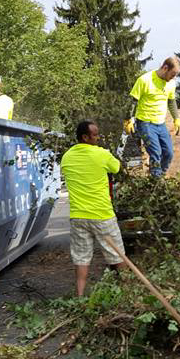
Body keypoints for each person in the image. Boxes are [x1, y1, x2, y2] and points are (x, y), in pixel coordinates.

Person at [60, 121, 126, 296]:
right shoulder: (101, 154)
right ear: (85, 137)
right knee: (117, 255)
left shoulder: (67, 156)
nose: (98, 138)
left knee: (81, 258)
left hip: (78, 217)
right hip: (102, 215)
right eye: (95, 135)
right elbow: (117, 168)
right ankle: (129, 291)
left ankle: (80, 296)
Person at [125, 56, 180, 177]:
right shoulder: (145, 80)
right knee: (156, 153)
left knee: (168, 153)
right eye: (173, 74)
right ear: (165, 68)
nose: (174, 77)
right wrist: (128, 120)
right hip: (145, 123)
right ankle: (156, 182)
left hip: (161, 124)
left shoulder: (171, 83)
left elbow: (171, 101)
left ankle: (159, 176)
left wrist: (176, 118)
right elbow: (132, 101)